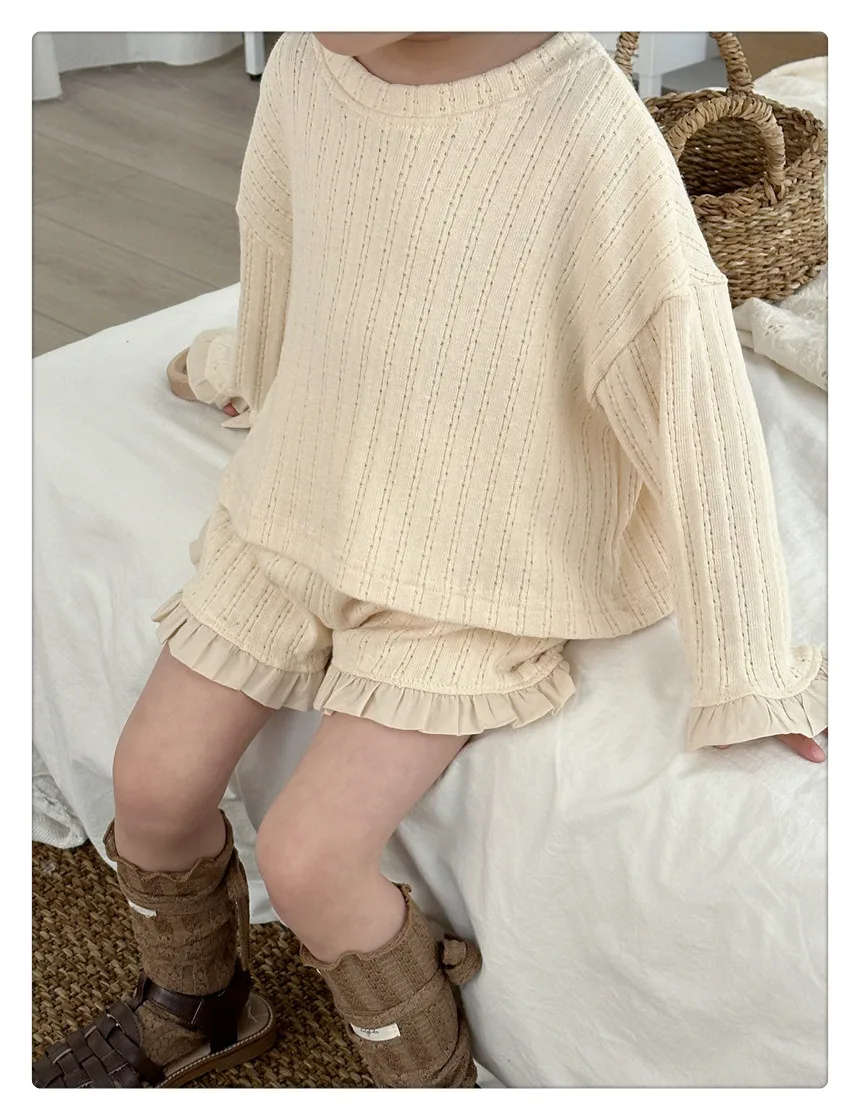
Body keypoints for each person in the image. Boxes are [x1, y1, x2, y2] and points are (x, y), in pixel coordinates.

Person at [33, 31, 827, 1090]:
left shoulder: (581, 119)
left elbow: (688, 386)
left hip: (476, 560)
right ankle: (200, 1006)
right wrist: (246, 371)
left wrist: (748, 665)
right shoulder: (308, 65)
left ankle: (428, 1083)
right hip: (300, 501)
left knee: (312, 859)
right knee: (150, 783)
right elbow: (290, 261)